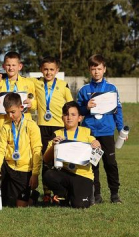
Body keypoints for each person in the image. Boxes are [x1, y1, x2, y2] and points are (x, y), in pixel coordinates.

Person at [77, 54, 125, 204]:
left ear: (104, 69)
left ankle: (115, 194)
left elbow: (118, 109)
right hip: (90, 133)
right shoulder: (84, 90)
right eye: (93, 69)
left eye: (99, 68)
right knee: (93, 164)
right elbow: (78, 112)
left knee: (110, 164)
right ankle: (96, 195)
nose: (96, 72)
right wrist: (86, 107)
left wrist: (121, 128)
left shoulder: (111, 88)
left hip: (107, 132)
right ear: (89, 70)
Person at [42, 101, 100, 208]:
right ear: (62, 118)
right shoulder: (57, 134)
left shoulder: (87, 132)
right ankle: (65, 194)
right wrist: (54, 146)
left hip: (83, 175)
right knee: (48, 175)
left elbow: (96, 154)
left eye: (73, 114)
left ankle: (87, 193)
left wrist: (97, 145)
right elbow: (45, 159)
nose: (69, 117)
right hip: (65, 173)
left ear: (80, 118)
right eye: (66, 114)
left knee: (79, 205)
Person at [0, 93, 42, 208]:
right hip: (8, 167)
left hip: (24, 170)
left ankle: (33, 197)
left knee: (19, 206)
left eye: (13, 112)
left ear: (21, 108)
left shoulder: (32, 126)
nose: (10, 115)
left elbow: (36, 151)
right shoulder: (6, 126)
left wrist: (35, 174)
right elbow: (1, 150)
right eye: (7, 112)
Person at [32, 56, 73, 204]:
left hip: (59, 128)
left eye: (51, 69)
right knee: (45, 160)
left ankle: (61, 193)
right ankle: (47, 194)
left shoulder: (63, 85)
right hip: (42, 127)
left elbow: (70, 106)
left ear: (57, 70)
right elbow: (19, 77)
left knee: (60, 161)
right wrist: (2, 75)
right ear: (41, 70)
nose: (48, 72)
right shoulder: (36, 83)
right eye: (45, 69)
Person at [0, 52, 37, 138]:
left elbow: (35, 103)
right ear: (4, 66)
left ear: (20, 66)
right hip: (3, 126)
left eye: (14, 65)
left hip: (23, 126)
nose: (11, 68)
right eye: (8, 65)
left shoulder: (28, 83)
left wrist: (31, 104)